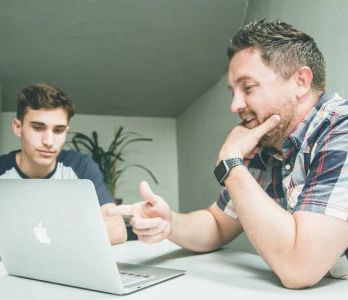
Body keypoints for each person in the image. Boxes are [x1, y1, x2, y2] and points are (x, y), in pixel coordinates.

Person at [109, 19, 348, 289]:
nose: (235, 105)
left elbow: (299, 269)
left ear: (301, 81)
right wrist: (169, 222)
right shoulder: (268, 142)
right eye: (233, 91)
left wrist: (232, 165)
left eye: (248, 87)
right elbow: (217, 224)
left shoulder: (341, 130)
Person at [0, 82, 127, 256]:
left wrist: (49, 238)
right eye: (38, 128)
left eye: (58, 130)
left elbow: (117, 229)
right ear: (18, 128)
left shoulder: (80, 167)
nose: (48, 141)